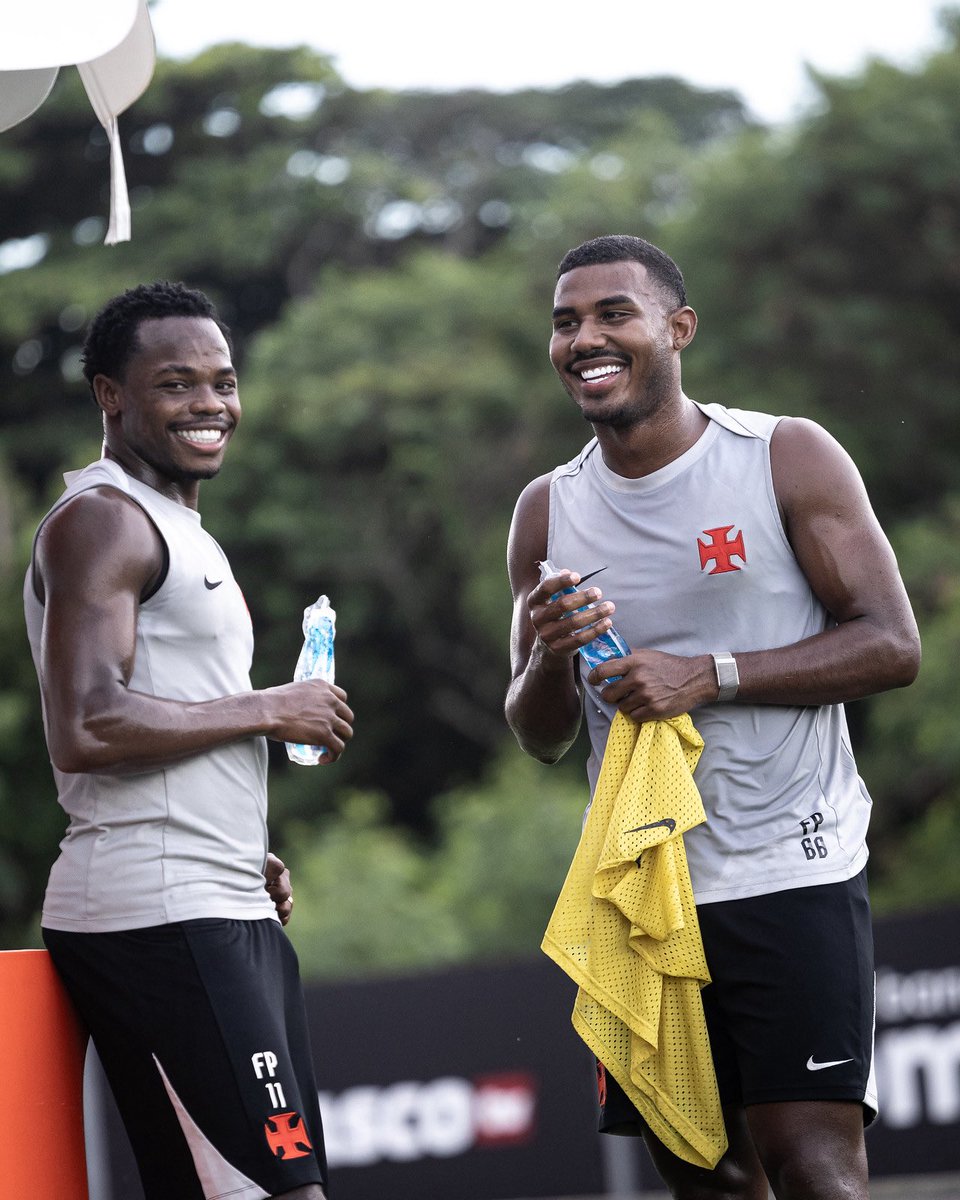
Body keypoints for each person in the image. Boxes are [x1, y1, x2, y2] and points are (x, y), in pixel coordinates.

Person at [505, 235, 921, 1200]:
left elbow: (892, 645)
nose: (585, 339)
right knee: (709, 1182)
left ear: (679, 328)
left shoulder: (783, 454)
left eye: (614, 314)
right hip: (642, 891)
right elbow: (538, 732)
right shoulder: (547, 510)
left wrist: (710, 676)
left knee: (814, 1169)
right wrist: (550, 655)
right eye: (566, 323)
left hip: (790, 864)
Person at [23, 281, 354, 1200]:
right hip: (157, 910)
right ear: (109, 395)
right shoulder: (102, 520)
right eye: (177, 383)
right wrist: (270, 708)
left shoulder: (174, 524)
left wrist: (242, 844)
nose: (210, 403)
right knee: (277, 1193)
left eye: (223, 381)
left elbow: (168, 708)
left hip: (218, 894)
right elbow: (86, 723)